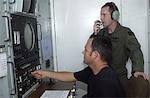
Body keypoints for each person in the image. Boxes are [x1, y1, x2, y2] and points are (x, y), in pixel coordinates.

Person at [31, 35, 125, 97]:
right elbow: (71, 76)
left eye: (86, 50)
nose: (83, 52)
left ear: (95, 55)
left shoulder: (106, 82)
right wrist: (45, 73)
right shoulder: (94, 70)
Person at [92, 2, 148, 95]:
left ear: (114, 15)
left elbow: (135, 51)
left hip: (119, 77)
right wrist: (95, 35)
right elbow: (91, 51)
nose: (101, 18)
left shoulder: (124, 33)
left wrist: (138, 70)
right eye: (101, 15)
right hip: (102, 76)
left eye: (104, 15)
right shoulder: (101, 33)